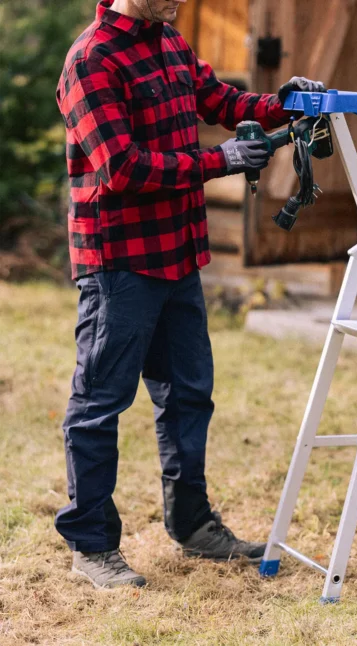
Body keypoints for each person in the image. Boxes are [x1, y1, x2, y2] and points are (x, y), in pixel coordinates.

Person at [56, 0, 325, 590]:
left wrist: (285, 101)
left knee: (188, 395)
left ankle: (193, 524)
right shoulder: (91, 60)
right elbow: (121, 167)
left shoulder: (168, 41)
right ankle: (92, 546)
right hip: (119, 262)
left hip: (177, 255)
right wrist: (220, 160)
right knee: (100, 404)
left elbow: (224, 103)